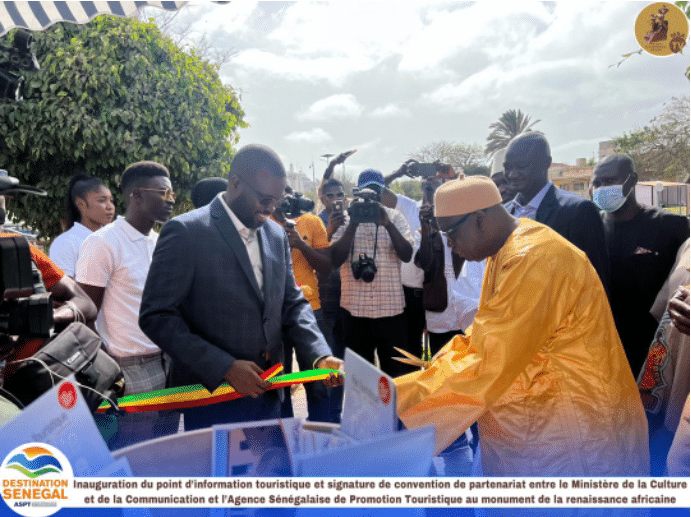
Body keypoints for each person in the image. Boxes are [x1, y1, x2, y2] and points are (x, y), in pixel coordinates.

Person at [395, 175, 649, 478]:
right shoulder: (507, 250)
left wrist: (402, 406)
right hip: (537, 419)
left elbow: (490, 356)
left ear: (479, 219)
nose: (449, 245)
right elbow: (483, 337)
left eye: (451, 233)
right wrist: (412, 385)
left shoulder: (535, 257)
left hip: (575, 431)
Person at [139, 144, 342, 431]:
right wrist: (225, 367)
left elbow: (292, 302)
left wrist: (319, 354)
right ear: (236, 183)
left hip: (271, 396)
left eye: (277, 200)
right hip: (216, 400)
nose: (271, 208)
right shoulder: (186, 232)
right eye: (264, 199)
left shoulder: (275, 234)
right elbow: (157, 316)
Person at [76, 161, 179, 448]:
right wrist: (110, 374)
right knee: (132, 454)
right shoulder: (103, 243)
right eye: (163, 193)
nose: (171, 200)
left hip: (167, 363)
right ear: (137, 195)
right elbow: (85, 315)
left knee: (165, 452)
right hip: (128, 369)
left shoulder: (160, 241)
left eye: (172, 193)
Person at [590, 154, 689, 375]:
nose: (602, 188)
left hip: (654, 349)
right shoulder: (590, 228)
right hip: (602, 347)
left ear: (632, 180)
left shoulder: (671, 226)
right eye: (597, 183)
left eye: (610, 181)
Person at [330, 169, 413, 378]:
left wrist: (388, 225)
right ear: (357, 193)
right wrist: (353, 223)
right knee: (360, 378)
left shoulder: (395, 217)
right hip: (354, 312)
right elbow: (335, 259)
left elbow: (407, 254)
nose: (371, 197)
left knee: (396, 376)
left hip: (391, 311)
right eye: (366, 192)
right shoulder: (346, 219)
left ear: (382, 192)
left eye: (376, 191)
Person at [503, 132, 610, 292]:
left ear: (546, 163)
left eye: (521, 166)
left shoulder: (578, 211)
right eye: (508, 167)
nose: (512, 174)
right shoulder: (505, 213)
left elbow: (596, 282)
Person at [271, 187, 334, 422]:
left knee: (317, 381)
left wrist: (300, 243)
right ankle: (285, 438)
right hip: (274, 313)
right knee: (279, 385)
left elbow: (326, 266)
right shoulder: (262, 223)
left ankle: (320, 434)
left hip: (310, 309)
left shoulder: (312, 222)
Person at [49, 173, 115, 278]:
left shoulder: (115, 239)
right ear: (81, 204)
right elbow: (65, 285)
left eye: (111, 200)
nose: (110, 206)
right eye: (102, 200)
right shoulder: (65, 243)